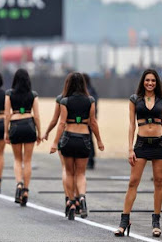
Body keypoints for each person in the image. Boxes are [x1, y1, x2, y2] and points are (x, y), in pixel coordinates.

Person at [114, 69, 162, 237]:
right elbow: (132, 125)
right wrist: (130, 148)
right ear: (143, 81)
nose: (150, 83)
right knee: (133, 182)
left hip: (160, 143)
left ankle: (156, 222)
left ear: (157, 82)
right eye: (147, 80)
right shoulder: (135, 99)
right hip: (141, 144)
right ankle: (124, 221)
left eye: (153, 80)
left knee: (158, 182)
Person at [50, 72, 104, 220]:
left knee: (69, 173)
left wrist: (55, 142)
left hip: (68, 138)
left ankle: (71, 202)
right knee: (81, 173)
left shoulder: (65, 101)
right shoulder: (90, 100)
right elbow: (93, 122)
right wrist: (99, 141)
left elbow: (61, 123)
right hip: (84, 139)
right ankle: (82, 199)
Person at [42, 75, 80, 216]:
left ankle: (68, 200)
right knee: (78, 172)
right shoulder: (85, 99)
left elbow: (55, 120)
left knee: (66, 170)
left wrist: (47, 132)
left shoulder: (61, 98)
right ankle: (77, 198)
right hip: (81, 137)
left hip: (65, 136)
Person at [4, 69, 41, 206]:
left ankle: (19, 183)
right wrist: (39, 133)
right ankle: (26, 190)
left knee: (18, 159)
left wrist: (6, 132)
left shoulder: (9, 94)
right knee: (28, 160)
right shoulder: (33, 95)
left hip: (15, 124)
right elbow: (36, 115)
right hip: (29, 125)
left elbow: (7, 114)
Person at [82, 73, 99, 170]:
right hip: (91, 118)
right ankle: (91, 160)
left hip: (85, 119)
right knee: (89, 140)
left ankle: (89, 160)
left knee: (87, 140)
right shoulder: (92, 90)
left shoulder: (86, 91)